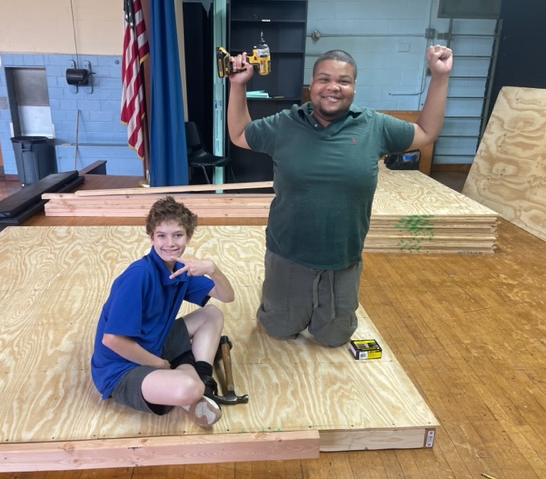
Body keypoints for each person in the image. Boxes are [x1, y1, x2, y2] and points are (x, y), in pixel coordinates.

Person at [226, 45, 453, 347]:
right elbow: (240, 134)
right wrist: (238, 84)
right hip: (288, 253)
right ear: (312, 84)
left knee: (334, 338)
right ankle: (280, 295)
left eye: (343, 81)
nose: (333, 87)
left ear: (354, 88)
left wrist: (439, 76)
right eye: (324, 79)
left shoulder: (374, 125)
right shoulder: (285, 123)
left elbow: (426, 132)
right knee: (278, 329)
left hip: (342, 258)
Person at [90, 196, 235, 427]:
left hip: (155, 344)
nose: (170, 243)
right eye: (162, 235)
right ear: (151, 238)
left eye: (177, 234)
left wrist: (214, 269)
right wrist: (159, 364)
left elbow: (227, 296)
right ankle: (189, 383)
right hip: (122, 369)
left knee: (212, 314)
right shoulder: (138, 275)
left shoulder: (180, 270)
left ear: (188, 236)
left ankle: (203, 379)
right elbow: (113, 340)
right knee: (189, 387)